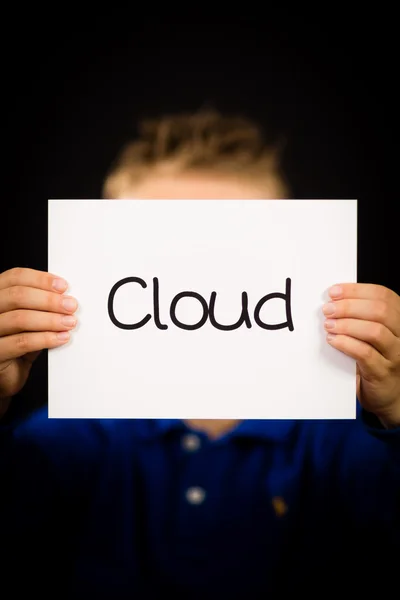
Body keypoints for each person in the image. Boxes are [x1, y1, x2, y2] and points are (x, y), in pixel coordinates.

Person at [0, 110, 399, 598]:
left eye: (235, 250)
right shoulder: (61, 439)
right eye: (161, 252)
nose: (198, 278)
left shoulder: (347, 441)